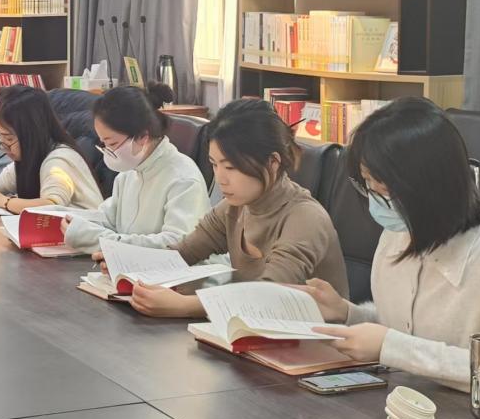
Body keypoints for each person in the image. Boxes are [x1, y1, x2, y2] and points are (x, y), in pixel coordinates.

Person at [295, 97, 480, 419]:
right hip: (430, 412)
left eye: (381, 186)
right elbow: (408, 328)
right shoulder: (397, 234)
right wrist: (347, 313)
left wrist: (391, 347)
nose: (374, 198)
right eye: (367, 183)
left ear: (426, 185)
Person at [114, 99, 348, 317]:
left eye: (231, 167)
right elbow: (182, 253)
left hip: (317, 340)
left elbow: (270, 294)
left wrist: (184, 305)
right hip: (253, 331)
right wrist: (128, 266)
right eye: (214, 165)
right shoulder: (233, 208)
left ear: (272, 162)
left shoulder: (305, 217)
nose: (220, 179)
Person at [63, 83, 208, 251]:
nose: (108, 152)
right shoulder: (129, 173)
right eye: (103, 144)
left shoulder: (183, 179)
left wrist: (96, 239)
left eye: (112, 144)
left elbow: (177, 244)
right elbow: (107, 219)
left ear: (142, 136)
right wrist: (66, 218)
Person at [0, 84, 103, 212]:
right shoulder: (32, 155)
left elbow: (51, 206)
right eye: (0, 136)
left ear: (32, 132)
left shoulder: (58, 160)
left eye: (9, 138)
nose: (4, 146)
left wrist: (4, 202)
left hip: (85, 241)